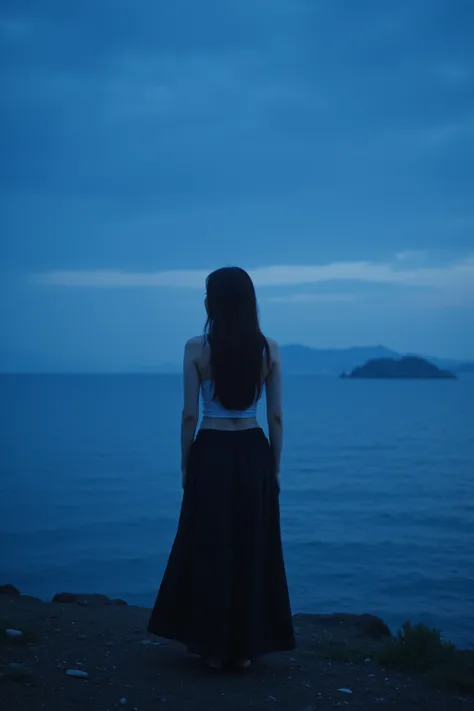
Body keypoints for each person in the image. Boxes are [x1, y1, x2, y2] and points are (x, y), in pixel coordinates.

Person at [148, 266, 295, 669]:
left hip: (210, 451)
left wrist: (184, 464)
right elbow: (277, 417)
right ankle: (245, 651)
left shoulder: (196, 348)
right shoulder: (269, 349)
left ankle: (211, 648)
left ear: (213, 303)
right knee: (252, 546)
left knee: (210, 546)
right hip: (253, 450)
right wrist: (274, 469)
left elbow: (188, 416)